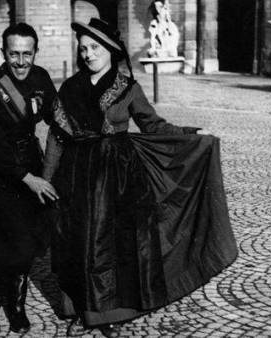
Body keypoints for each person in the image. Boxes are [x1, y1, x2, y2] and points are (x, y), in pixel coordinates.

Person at [42, 18, 238, 337]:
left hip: (118, 177)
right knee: (79, 241)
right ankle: (81, 308)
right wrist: (47, 179)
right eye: (83, 49)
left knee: (115, 245)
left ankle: (111, 312)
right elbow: (57, 137)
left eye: (95, 48)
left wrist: (192, 134)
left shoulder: (128, 87)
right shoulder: (70, 88)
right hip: (77, 174)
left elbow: (153, 125)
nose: (88, 54)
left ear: (111, 50)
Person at [0, 23, 58, 335]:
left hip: (29, 159)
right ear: (4, 53)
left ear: (35, 53)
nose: (21, 62)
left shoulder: (41, 78)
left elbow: (56, 116)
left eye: (27, 54)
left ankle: (9, 301)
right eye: (14, 54)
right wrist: (28, 178)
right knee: (11, 244)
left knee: (30, 238)